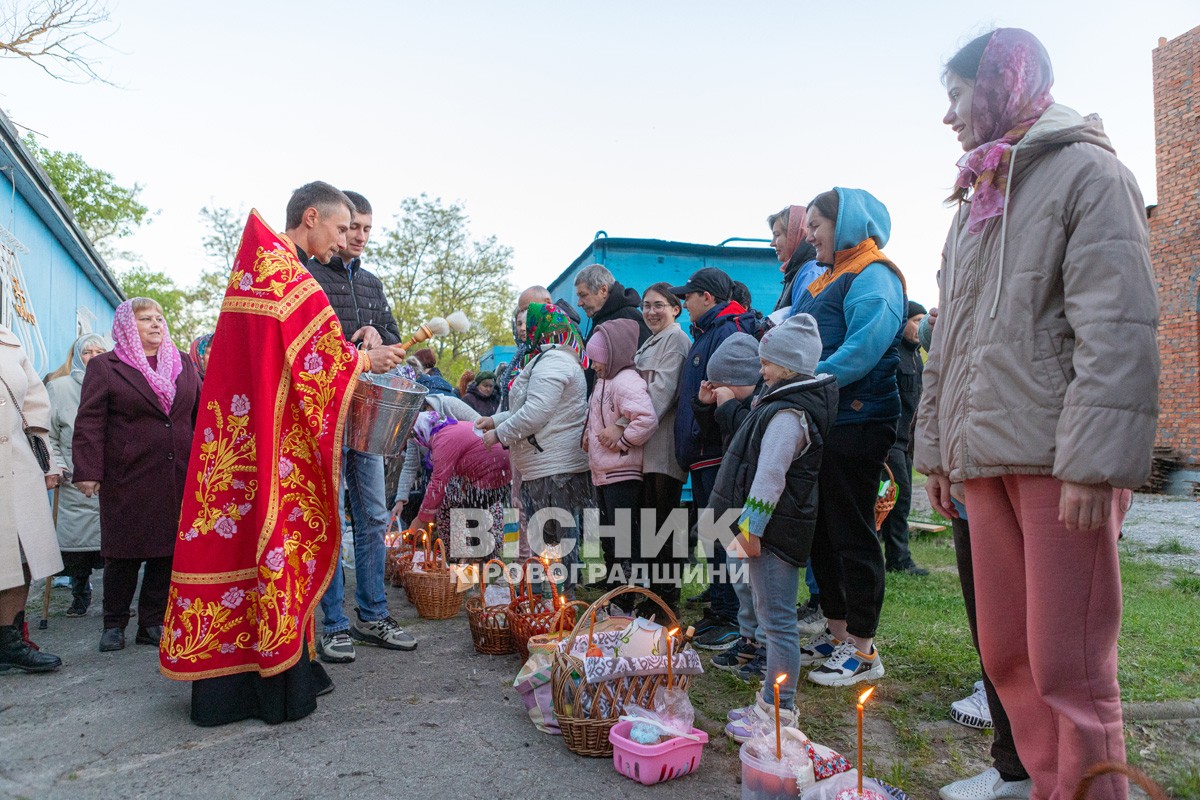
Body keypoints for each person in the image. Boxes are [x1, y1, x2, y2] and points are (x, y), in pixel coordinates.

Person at [916, 29, 1158, 800]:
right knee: (1009, 658)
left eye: (956, 94)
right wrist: (939, 452)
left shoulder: (1090, 173)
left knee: (1070, 668)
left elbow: (1117, 327)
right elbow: (948, 338)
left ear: (1001, 82)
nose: (949, 116)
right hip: (985, 461)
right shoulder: (976, 197)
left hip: (1060, 462)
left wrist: (1096, 461)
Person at [159, 184, 406, 727]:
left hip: (250, 437)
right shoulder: (285, 273)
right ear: (311, 218)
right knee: (275, 539)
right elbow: (317, 362)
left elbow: (294, 358)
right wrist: (366, 362)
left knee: (256, 543)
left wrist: (355, 357)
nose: (346, 243)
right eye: (342, 230)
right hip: (266, 446)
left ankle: (281, 660)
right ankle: (267, 674)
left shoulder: (267, 265)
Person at [793, 188, 906, 687]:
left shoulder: (874, 275)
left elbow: (861, 350)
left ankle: (863, 649)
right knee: (822, 529)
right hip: (830, 416)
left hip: (860, 420)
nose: (808, 234)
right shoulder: (831, 276)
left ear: (847, 224)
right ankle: (838, 634)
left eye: (816, 224)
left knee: (852, 530)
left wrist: (804, 378)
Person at [709, 314, 838, 742]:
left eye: (765, 362)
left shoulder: (788, 414)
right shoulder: (779, 402)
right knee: (770, 614)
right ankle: (769, 701)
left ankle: (780, 711)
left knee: (778, 622)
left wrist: (752, 528)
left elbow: (769, 478)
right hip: (773, 530)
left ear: (786, 365)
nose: (759, 369)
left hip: (774, 534)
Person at [306, 190, 415, 664]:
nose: (361, 237)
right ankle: (332, 624)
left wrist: (378, 336)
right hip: (326, 417)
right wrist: (352, 349)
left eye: (369, 229)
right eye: (354, 228)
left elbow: (394, 336)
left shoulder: (370, 282)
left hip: (367, 416)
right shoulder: (309, 274)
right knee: (329, 517)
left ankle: (373, 614)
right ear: (337, 224)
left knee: (372, 516)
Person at [72, 298, 201, 653]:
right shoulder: (106, 366)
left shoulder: (183, 365)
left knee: (167, 552)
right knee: (123, 553)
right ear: (129, 325)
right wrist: (87, 470)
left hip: (177, 472)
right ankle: (114, 623)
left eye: (160, 318)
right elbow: (89, 422)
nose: (157, 324)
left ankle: (152, 622)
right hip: (127, 475)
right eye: (146, 319)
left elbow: (200, 414)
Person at [671, 267, 761, 650]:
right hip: (705, 451)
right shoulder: (709, 332)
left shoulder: (728, 331)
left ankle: (729, 616)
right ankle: (721, 606)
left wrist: (706, 427)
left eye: (687, 297)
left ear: (707, 298)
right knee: (714, 533)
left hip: (719, 450)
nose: (684, 303)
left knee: (725, 533)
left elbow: (737, 390)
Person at [477, 303, 593, 589]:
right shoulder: (550, 359)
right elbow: (530, 408)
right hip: (545, 464)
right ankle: (554, 598)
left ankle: (559, 601)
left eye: (527, 323)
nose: (523, 329)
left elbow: (536, 413)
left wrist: (500, 434)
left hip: (554, 467)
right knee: (552, 540)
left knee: (555, 541)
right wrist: (494, 420)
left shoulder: (553, 362)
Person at [695, 332, 767, 682]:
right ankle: (748, 637)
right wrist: (705, 405)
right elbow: (711, 434)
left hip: (756, 505)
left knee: (759, 580)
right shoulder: (735, 403)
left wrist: (727, 408)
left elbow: (748, 439)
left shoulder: (760, 404)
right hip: (736, 498)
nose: (718, 388)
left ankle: (765, 645)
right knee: (739, 575)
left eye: (723, 382)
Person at [0, 323, 63, 673]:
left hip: (18, 464)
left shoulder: (9, 341)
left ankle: (9, 643)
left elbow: (35, 408)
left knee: (20, 555)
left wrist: (49, 462)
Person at [584, 318, 658, 596]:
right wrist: (587, 436)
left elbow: (646, 419)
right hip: (604, 471)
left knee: (624, 537)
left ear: (612, 355)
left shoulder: (626, 380)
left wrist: (623, 441)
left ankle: (630, 593)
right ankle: (617, 589)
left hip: (622, 471)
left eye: (596, 360)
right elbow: (599, 417)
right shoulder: (604, 381)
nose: (593, 366)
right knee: (611, 535)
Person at [632, 283, 691, 612]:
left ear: (675, 309)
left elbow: (660, 395)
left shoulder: (676, 341)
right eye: (646, 305)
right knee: (651, 525)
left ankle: (667, 599)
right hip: (646, 445)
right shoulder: (651, 341)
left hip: (664, 445)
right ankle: (654, 594)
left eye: (658, 305)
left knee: (665, 525)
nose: (651, 312)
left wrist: (625, 428)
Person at [46, 334, 109, 617]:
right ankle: (80, 591)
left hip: (111, 477)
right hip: (74, 479)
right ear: (76, 356)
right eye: (87, 352)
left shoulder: (114, 384)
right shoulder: (59, 388)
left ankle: (115, 599)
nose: (93, 356)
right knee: (76, 549)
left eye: (99, 351)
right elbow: (49, 434)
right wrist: (55, 465)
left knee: (112, 545)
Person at [411, 409, 511, 559]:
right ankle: (477, 563)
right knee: (472, 516)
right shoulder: (448, 429)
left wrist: (422, 519)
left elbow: (438, 483)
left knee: (469, 519)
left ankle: (473, 566)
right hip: (501, 471)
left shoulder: (442, 438)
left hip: (491, 471)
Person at [878, 300, 928, 576]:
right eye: (916, 320)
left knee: (894, 498)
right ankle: (899, 559)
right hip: (891, 442)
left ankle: (895, 557)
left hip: (907, 443)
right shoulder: (893, 354)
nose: (919, 327)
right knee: (896, 497)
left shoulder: (916, 355)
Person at [574, 264, 651, 393]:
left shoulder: (629, 318)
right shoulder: (599, 317)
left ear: (603, 290)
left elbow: (642, 368)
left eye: (583, 295)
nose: (579, 303)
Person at [767, 205, 824, 317]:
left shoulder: (811, 272)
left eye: (777, 235)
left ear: (794, 234)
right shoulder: (797, 271)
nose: (772, 243)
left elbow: (802, 325)